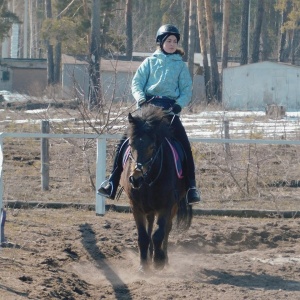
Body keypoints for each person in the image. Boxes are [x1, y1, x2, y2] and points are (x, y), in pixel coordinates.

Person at [98, 24, 201, 205]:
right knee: (124, 142)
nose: (172, 44)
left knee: (184, 145)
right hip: (147, 108)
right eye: (168, 40)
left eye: (175, 41)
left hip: (169, 111)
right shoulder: (149, 62)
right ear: (160, 42)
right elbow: (136, 83)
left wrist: (179, 105)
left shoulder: (181, 66)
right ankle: (112, 182)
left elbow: (186, 90)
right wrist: (141, 99)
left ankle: (191, 187)